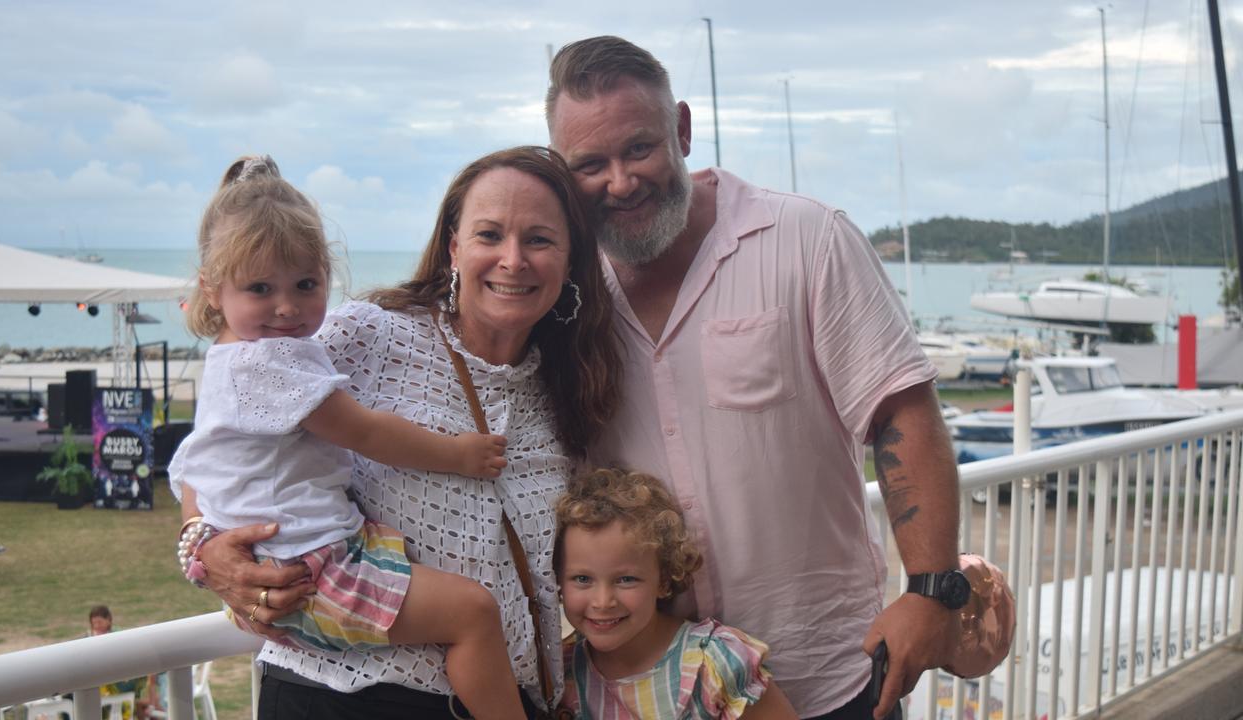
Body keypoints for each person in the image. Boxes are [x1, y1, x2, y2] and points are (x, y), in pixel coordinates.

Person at [545, 37, 962, 720]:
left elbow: (901, 414)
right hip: (652, 695)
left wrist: (930, 588)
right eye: (591, 164)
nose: (620, 182)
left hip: (828, 674)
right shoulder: (564, 292)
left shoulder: (806, 238)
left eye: (639, 149)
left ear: (681, 128)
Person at [178, 146, 621, 719]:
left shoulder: (573, 387)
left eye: (538, 240)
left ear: (570, 258)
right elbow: (216, 445)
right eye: (489, 234)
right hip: (340, 699)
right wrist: (204, 550)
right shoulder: (362, 338)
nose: (513, 260)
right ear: (454, 246)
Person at [553, 468, 797, 719]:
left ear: (664, 580)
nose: (603, 602)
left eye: (626, 579)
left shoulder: (714, 664)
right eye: (582, 579)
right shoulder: (561, 672)